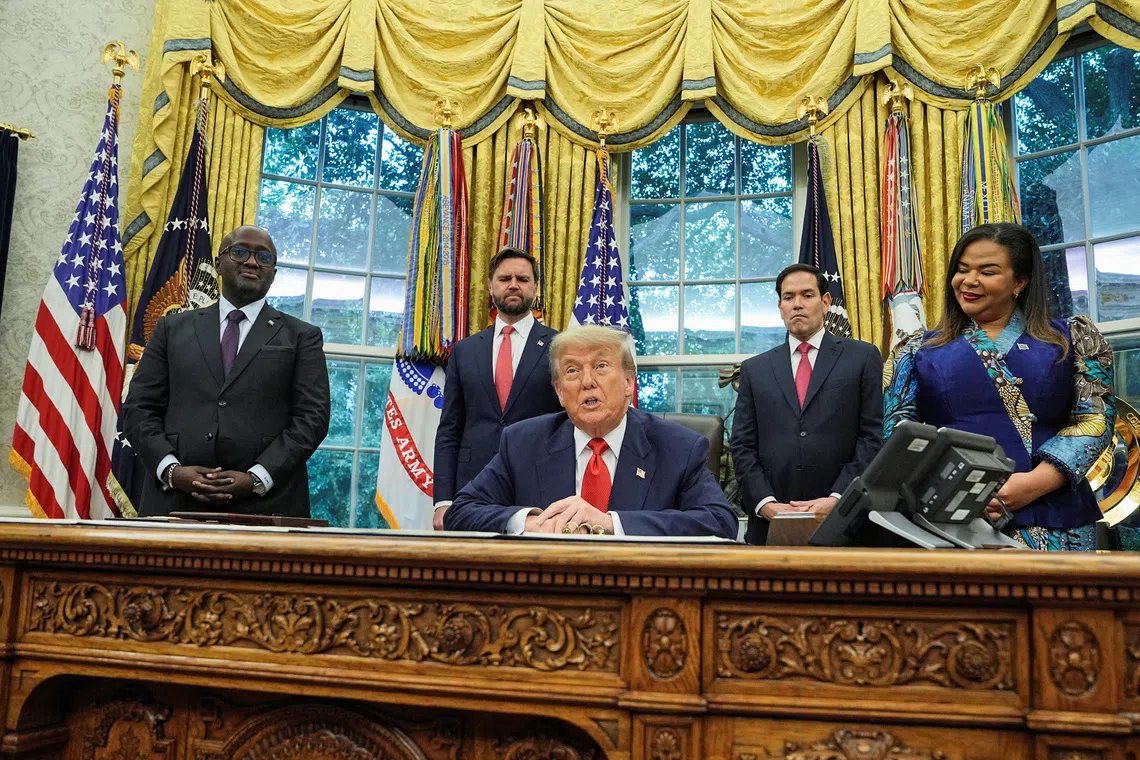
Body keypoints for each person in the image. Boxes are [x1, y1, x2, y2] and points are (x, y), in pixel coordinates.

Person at [884, 222, 1116, 551]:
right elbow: (898, 431)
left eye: (987, 271)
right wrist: (961, 488)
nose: (969, 281)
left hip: (1052, 517)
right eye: (962, 270)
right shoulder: (914, 350)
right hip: (948, 521)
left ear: (1020, 281)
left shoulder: (1074, 338)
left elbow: (1096, 420)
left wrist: (1031, 485)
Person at [443, 325, 738, 539]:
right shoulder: (523, 443)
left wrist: (610, 523)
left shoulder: (678, 447)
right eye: (571, 371)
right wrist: (533, 522)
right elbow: (460, 512)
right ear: (559, 392)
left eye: (601, 366)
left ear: (628, 383)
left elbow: (720, 521)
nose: (587, 382)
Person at [124, 226, 331, 517]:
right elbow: (139, 407)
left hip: (266, 507)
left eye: (264, 257)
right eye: (240, 251)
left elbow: (313, 418)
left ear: (273, 273)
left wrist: (257, 478)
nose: (251, 262)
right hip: (174, 504)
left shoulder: (301, 337)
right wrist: (172, 471)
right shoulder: (172, 329)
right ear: (219, 263)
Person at [730, 263, 884, 546]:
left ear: (826, 302)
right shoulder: (755, 369)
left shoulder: (861, 358)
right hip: (771, 526)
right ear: (780, 306)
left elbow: (871, 438)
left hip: (844, 524)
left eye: (807, 295)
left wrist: (838, 498)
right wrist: (766, 504)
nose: (797, 304)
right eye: (788, 297)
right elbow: (742, 445)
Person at [432, 247, 562, 529]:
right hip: (471, 489)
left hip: (539, 487)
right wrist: (443, 501)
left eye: (523, 279)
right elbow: (449, 430)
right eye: (504, 279)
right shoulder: (464, 351)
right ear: (490, 286)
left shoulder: (560, 348)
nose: (513, 284)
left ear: (535, 287)